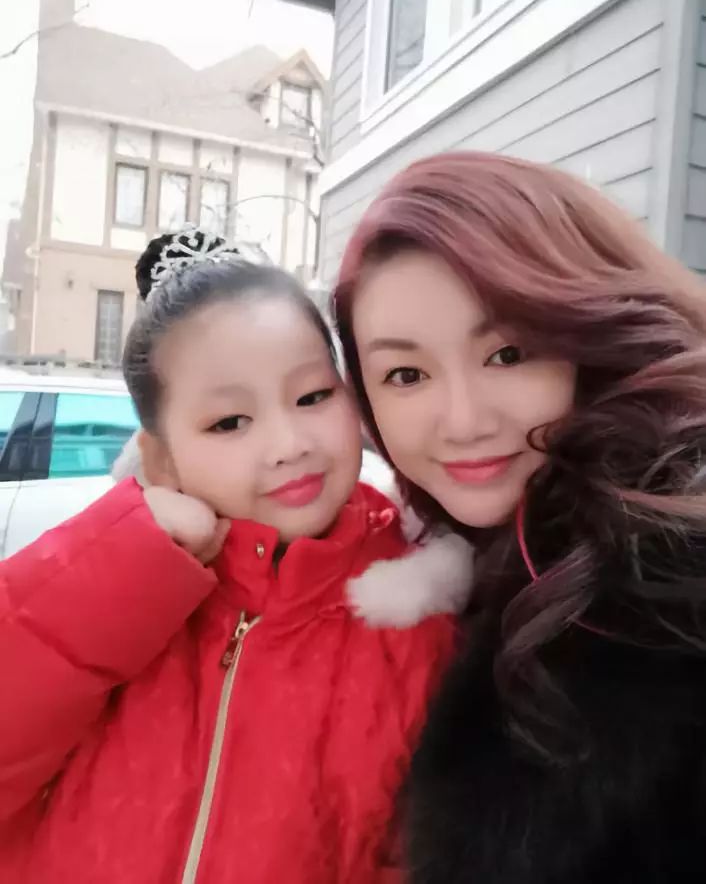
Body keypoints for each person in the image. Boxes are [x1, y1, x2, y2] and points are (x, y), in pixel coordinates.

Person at [0, 228, 472, 883]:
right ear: (161, 458)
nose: (288, 444)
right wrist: (120, 561)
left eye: (313, 396)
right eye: (229, 422)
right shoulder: (112, 601)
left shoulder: (416, 610)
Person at [333, 151, 706, 882]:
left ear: (593, 336)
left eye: (509, 353)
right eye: (406, 374)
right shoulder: (454, 557)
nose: (464, 421)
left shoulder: (670, 586)